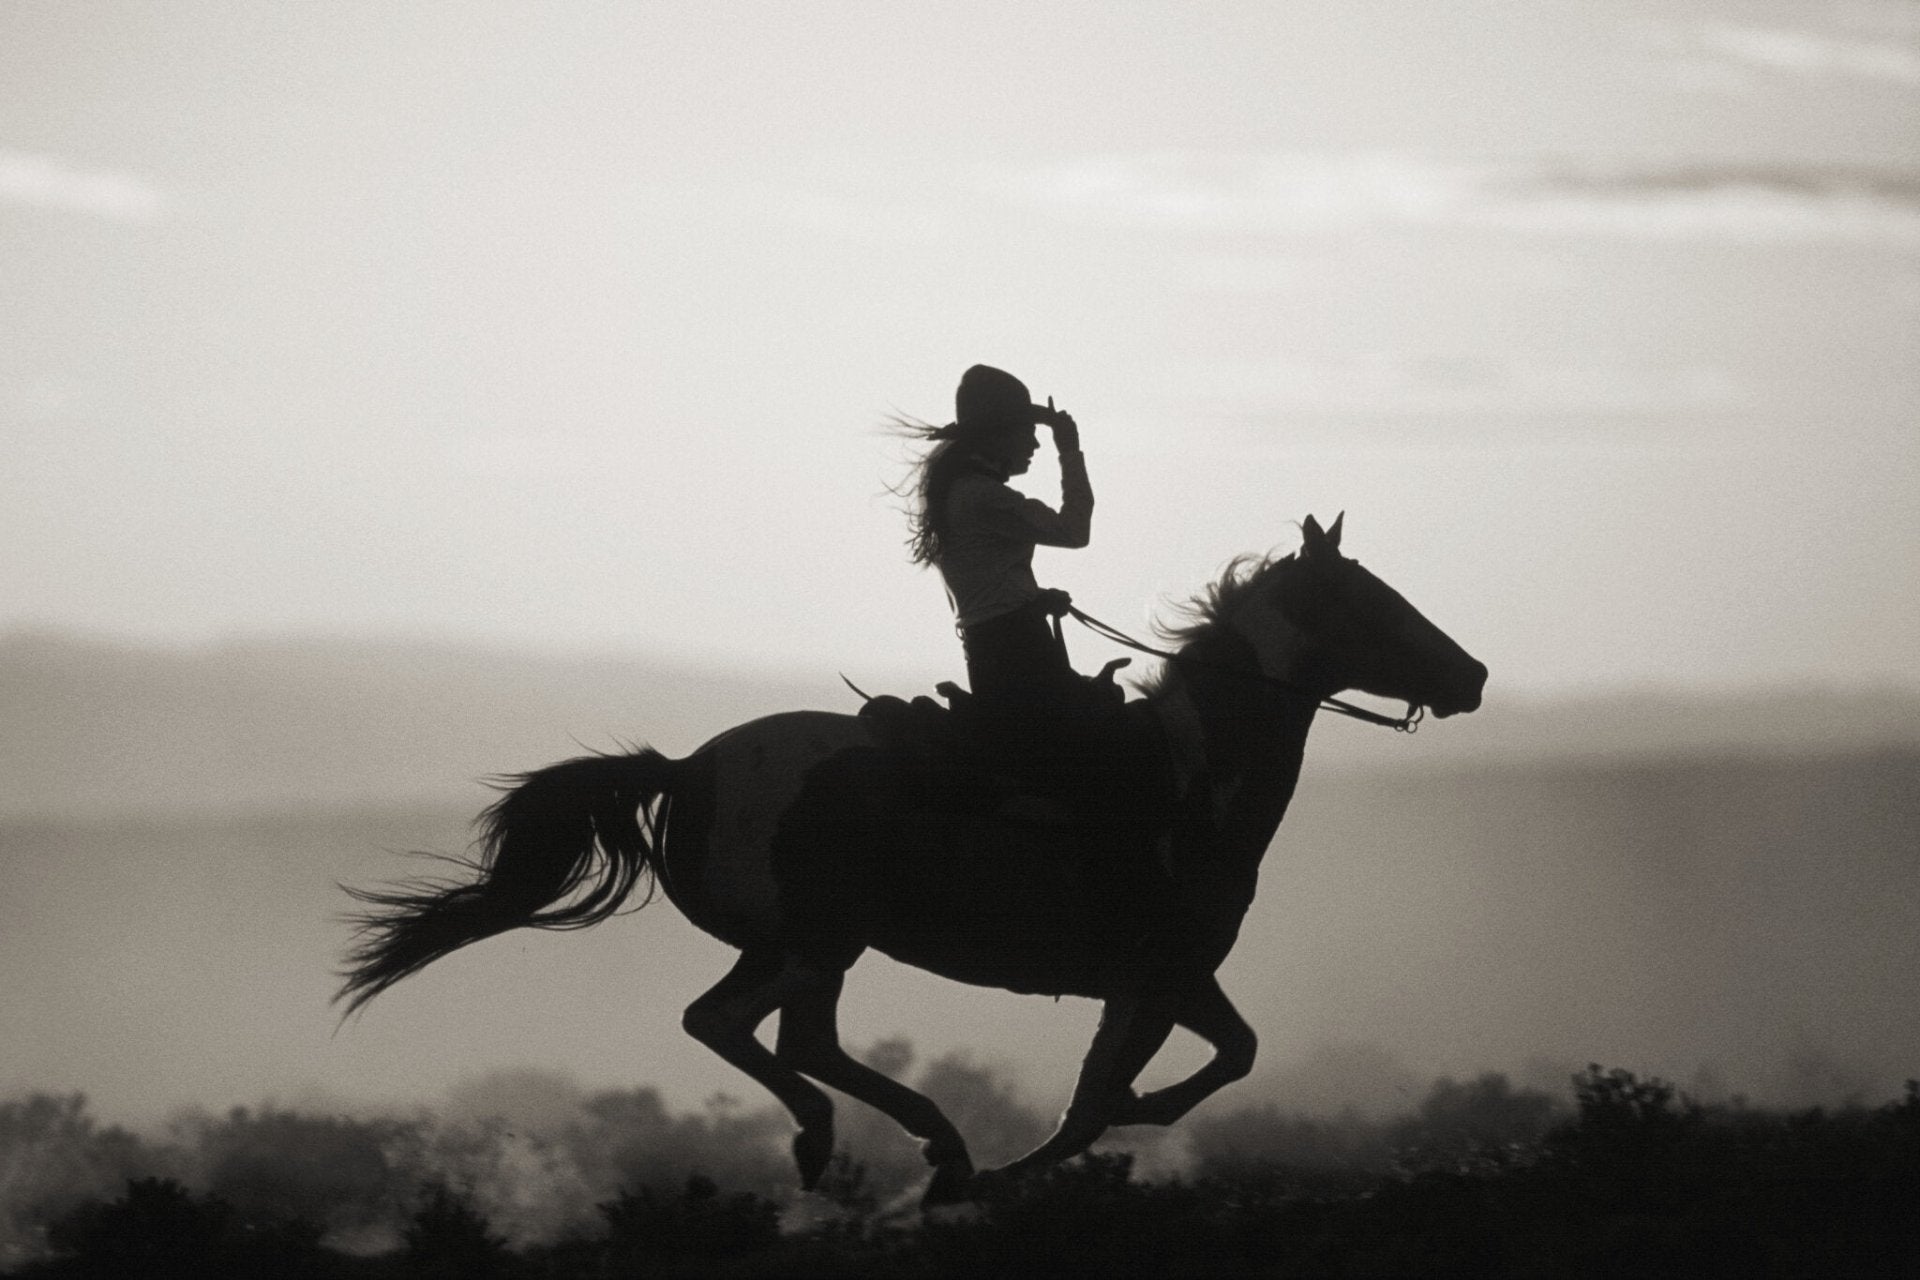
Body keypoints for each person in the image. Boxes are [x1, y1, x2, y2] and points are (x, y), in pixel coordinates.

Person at [897, 364, 1091, 718]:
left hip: (994, 653)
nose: (1034, 443)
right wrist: (1070, 451)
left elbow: (989, 589)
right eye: (1029, 433)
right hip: (1020, 656)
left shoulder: (959, 492)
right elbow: (1074, 531)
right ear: (999, 436)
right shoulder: (984, 496)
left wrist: (1036, 598)